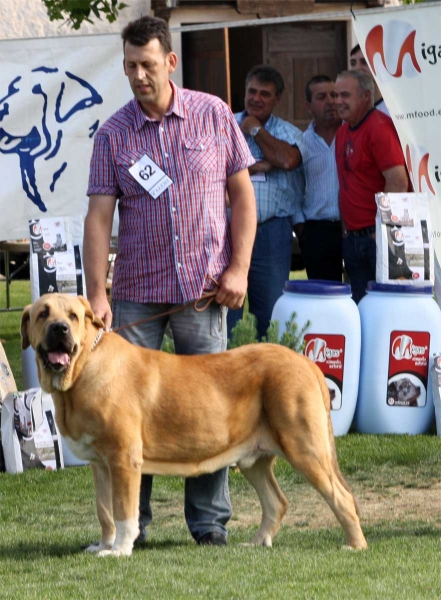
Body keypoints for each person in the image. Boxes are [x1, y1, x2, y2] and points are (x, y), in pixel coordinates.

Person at [83, 15, 256, 547]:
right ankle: (135, 528)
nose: (138, 75)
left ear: (170, 62)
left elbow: (243, 197)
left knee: (207, 415)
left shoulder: (213, 114)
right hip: (135, 297)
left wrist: (239, 269)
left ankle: (208, 526)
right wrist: (96, 294)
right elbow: (98, 218)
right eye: (131, 66)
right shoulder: (113, 133)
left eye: (148, 65)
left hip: (206, 293)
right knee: (124, 421)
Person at [227, 64, 303, 340]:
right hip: (227, 230)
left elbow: (287, 160)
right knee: (225, 312)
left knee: (270, 313)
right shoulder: (225, 124)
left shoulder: (288, 132)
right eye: (252, 91)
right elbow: (210, 172)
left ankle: (266, 374)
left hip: (271, 232)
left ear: (277, 99)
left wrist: (256, 130)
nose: (256, 98)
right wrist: (254, 168)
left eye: (265, 94)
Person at [334, 69, 408, 303]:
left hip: (377, 239)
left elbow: (398, 180)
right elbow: (346, 183)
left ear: (366, 96)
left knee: (386, 308)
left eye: (345, 95)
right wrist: (347, 230)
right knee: (362, 308)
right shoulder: (343, 130)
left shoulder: (379, 128)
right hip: (355, 239)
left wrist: (380, 231)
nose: (338, 102)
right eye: (336, 96)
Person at [293, 75, 343, 282]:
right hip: (317, 231)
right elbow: (294, 189)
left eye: (334, 95)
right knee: (325, 299)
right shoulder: (301, 143)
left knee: (361, 295)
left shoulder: (353, 136)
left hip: (356, 230)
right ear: (308, 106)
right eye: (322, 97)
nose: (331, 101)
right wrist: (301, 230)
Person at [349, 44, 390, 116]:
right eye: (353, 63)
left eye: (365, 62)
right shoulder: (350, 110)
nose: (357, 68)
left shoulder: (394, 111)